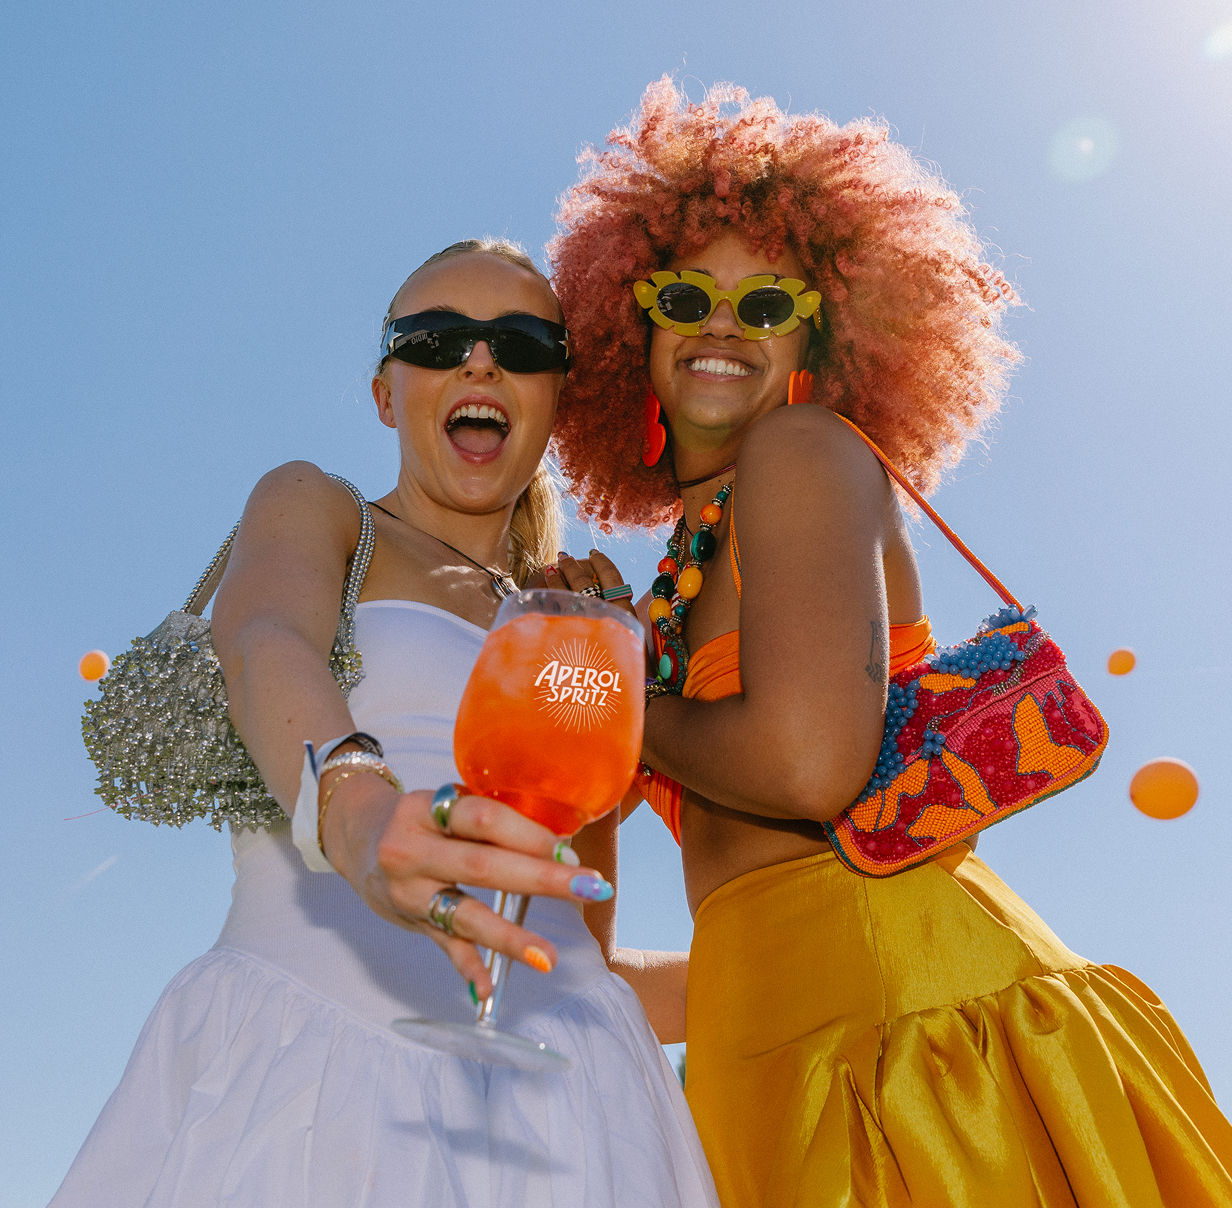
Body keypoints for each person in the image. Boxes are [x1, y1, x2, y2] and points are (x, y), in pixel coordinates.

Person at [547, 79, 1232, 1207]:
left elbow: (808, 767)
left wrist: (618, 685)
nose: (721, 325)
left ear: (817, 340)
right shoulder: (668, 584)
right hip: (781, 1061)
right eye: (686, 296)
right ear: (635, 331)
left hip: (918, 1056)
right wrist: (574, 669)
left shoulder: (801, 451)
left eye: (767, 303)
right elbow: (594, 964)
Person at [54, 239, 718, 1208]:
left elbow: (575, 931)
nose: (478, 362)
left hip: (575, 1113)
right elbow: (266, 636)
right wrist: (357, 809)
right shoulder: (323, 510)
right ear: (383, 393)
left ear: (557, 398)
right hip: (316, 1080)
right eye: (436, 339)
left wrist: (818, 961)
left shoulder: (574, 619)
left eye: (520, 345)